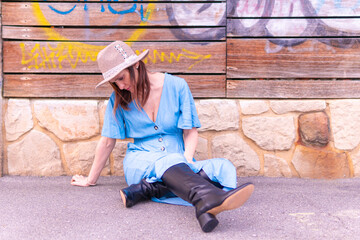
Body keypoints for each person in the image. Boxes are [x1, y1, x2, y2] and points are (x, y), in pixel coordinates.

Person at [71, 41, 254, 232]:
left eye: (121, 77)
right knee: (175, 163)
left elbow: (190, 131)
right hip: (141, 160)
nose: (121, 85)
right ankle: (205, 198)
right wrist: (90, 179)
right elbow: (108, 141)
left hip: (178, 161)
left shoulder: (177, 86)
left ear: (136, 64)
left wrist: (188, 161)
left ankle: (151, 190)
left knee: (224, 169)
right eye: (115, 81)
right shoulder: (118, 99)